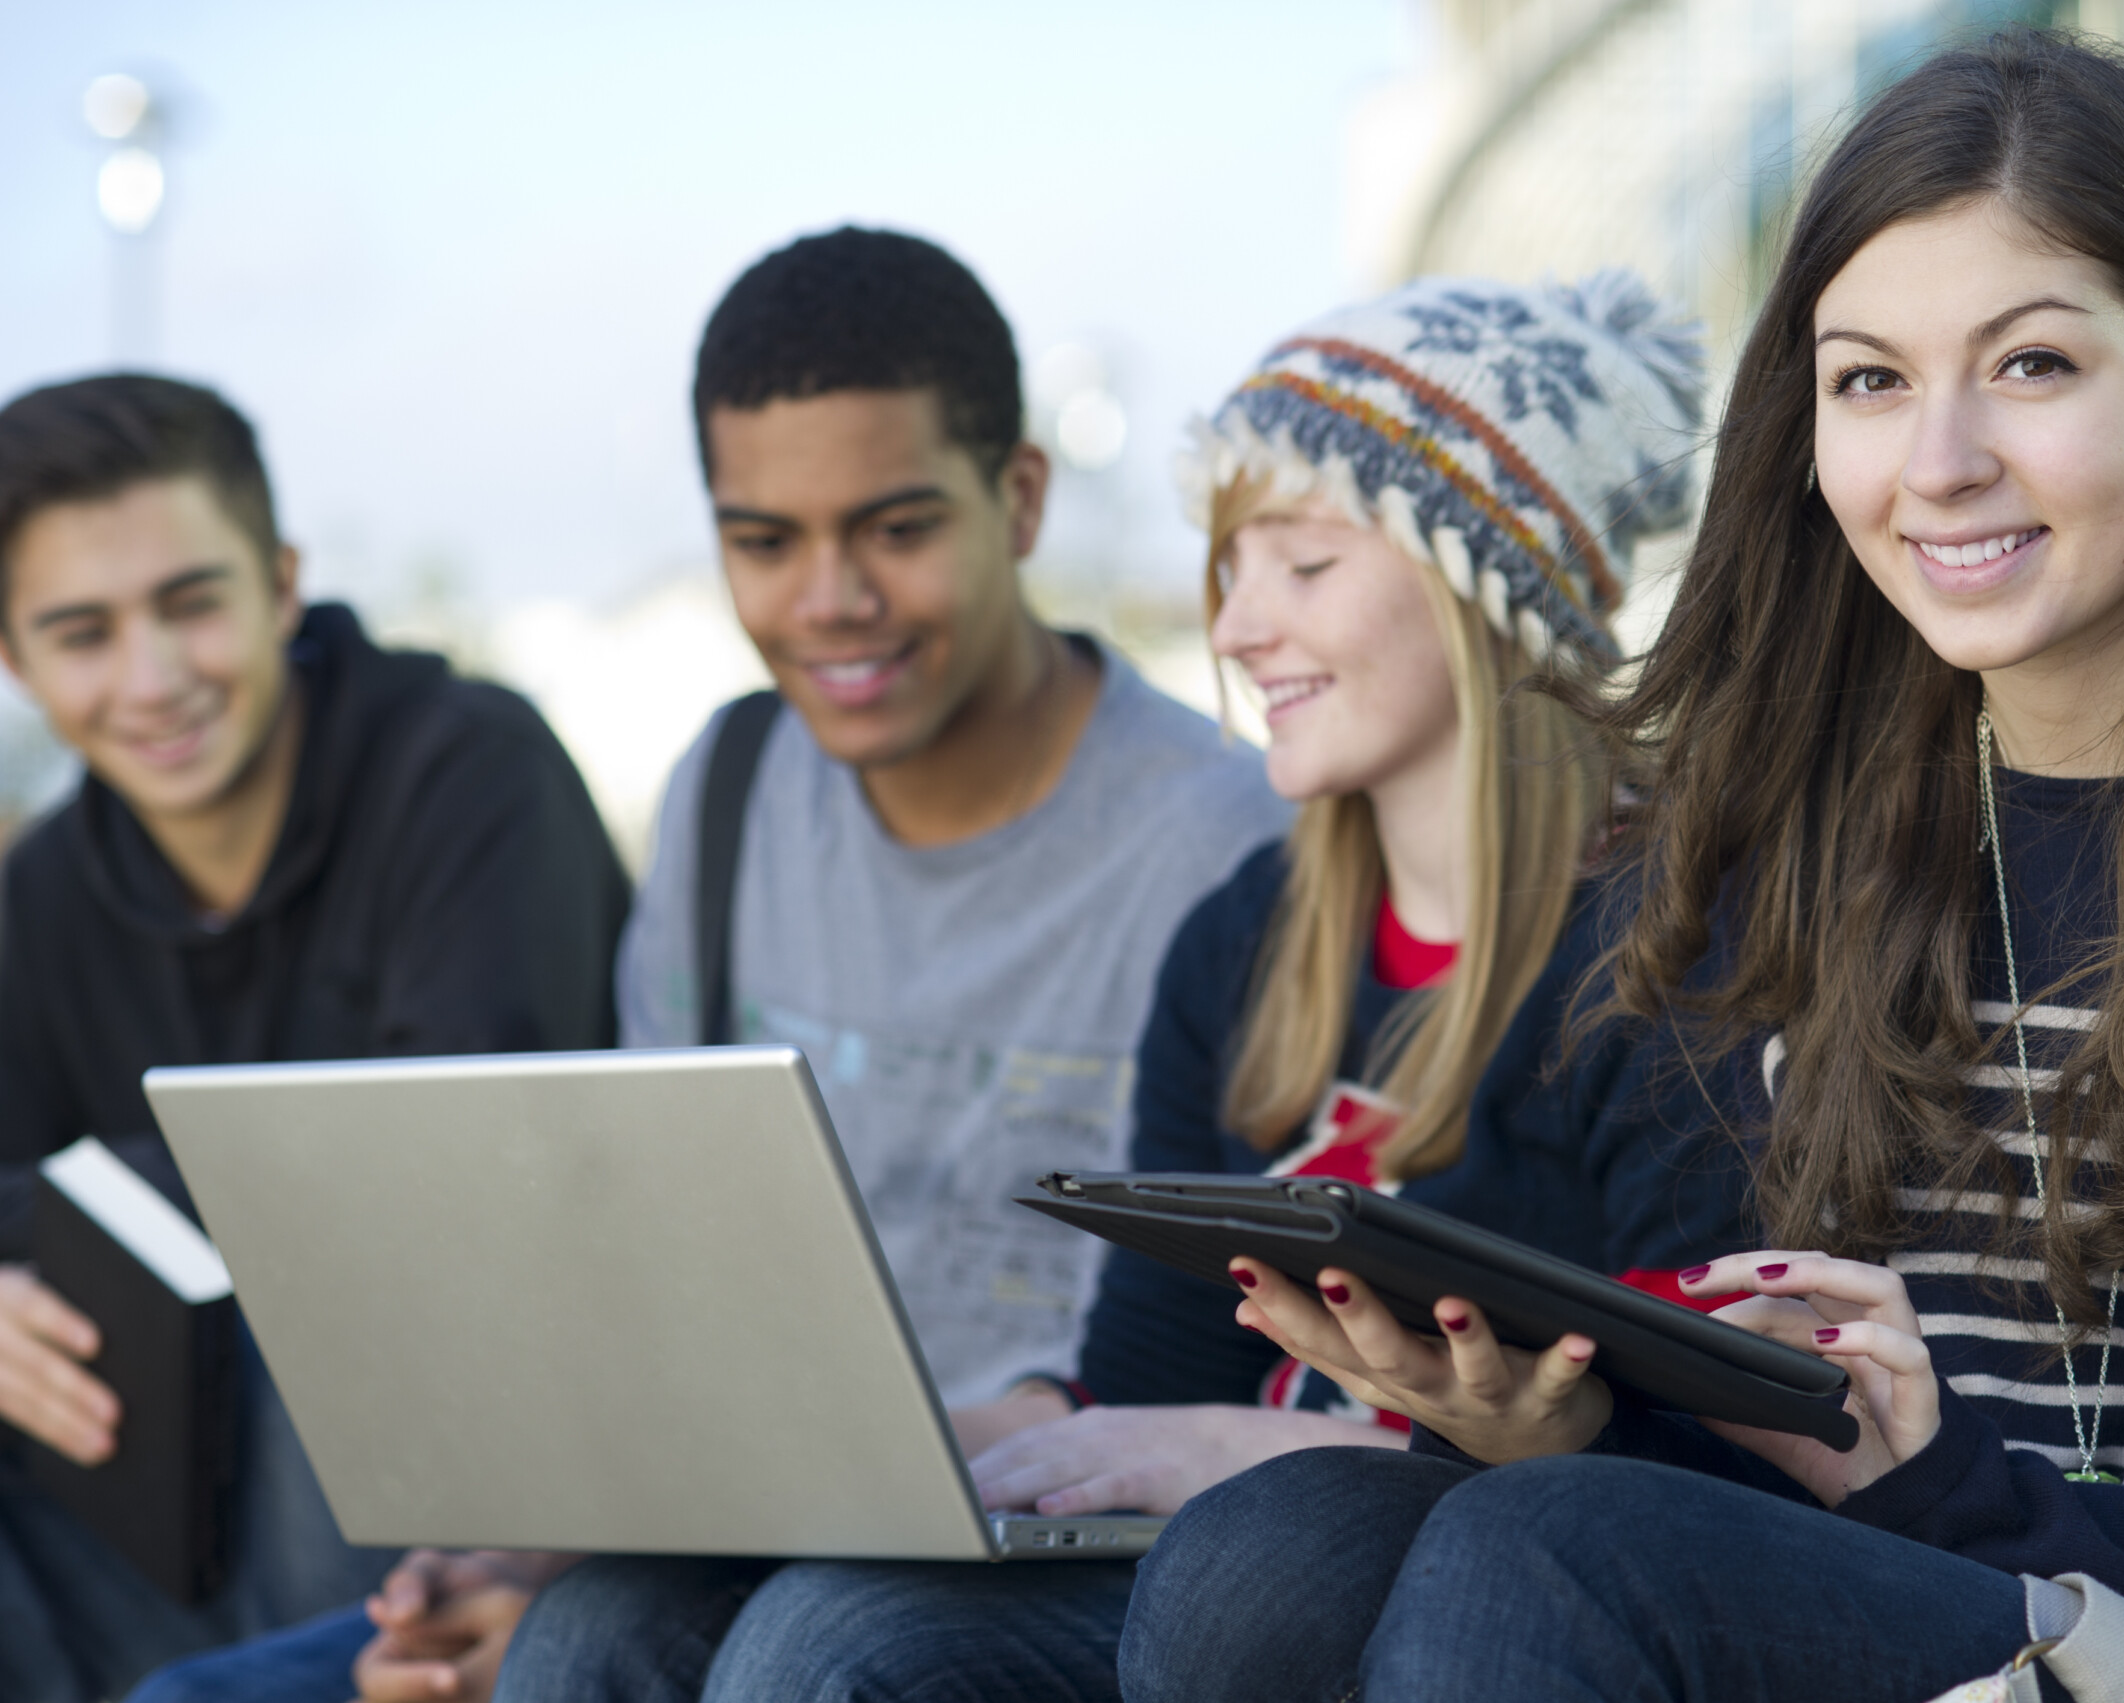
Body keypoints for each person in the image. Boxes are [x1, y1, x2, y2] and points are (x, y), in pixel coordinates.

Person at [1117, 30, 2124, 1703]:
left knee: (1551, 1561)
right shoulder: (1809, 817)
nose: (1936, 462)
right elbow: (1831, 1471)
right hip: (1956, 1601)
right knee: (1263, 1567)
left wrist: (1966, 1504)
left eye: (2031, 366)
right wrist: (1569, 1412)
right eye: (1869, 380)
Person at [478, 272, 1719, 1702]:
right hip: (1187, 1538)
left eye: (1303, 569)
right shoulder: (1250, 933)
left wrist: (1259, 1450)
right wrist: (855, 1454)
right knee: (592, 1633)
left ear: (1490, 588)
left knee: (827, 1652)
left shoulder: (1660, 955)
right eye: (1230, 572)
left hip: (1372, 1576)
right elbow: (1137, 1371)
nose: (1243, 632)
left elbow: (1689, 1452)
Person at [127, 227, 1292, 1703]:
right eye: (764, 541)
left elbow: (1225, 1350)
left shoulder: (1228, 843)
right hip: (738, 1521)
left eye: (895, 527)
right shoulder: (732, 785)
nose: (829, 600)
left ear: (1022, 498)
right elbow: (646, 1275)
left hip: (1065, 1532)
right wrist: (540, 1547)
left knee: (793, 1654)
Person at [0, 372, 629, 1703]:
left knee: (316, 1308)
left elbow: (438, 1169)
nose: (152, 679)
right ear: (15, 658)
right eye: (81, 632)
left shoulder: (469, 770)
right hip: (159, 1520)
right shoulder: (43, 893)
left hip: (473, 1511)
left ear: (281, 584)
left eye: (191, 604)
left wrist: (94, 1207)